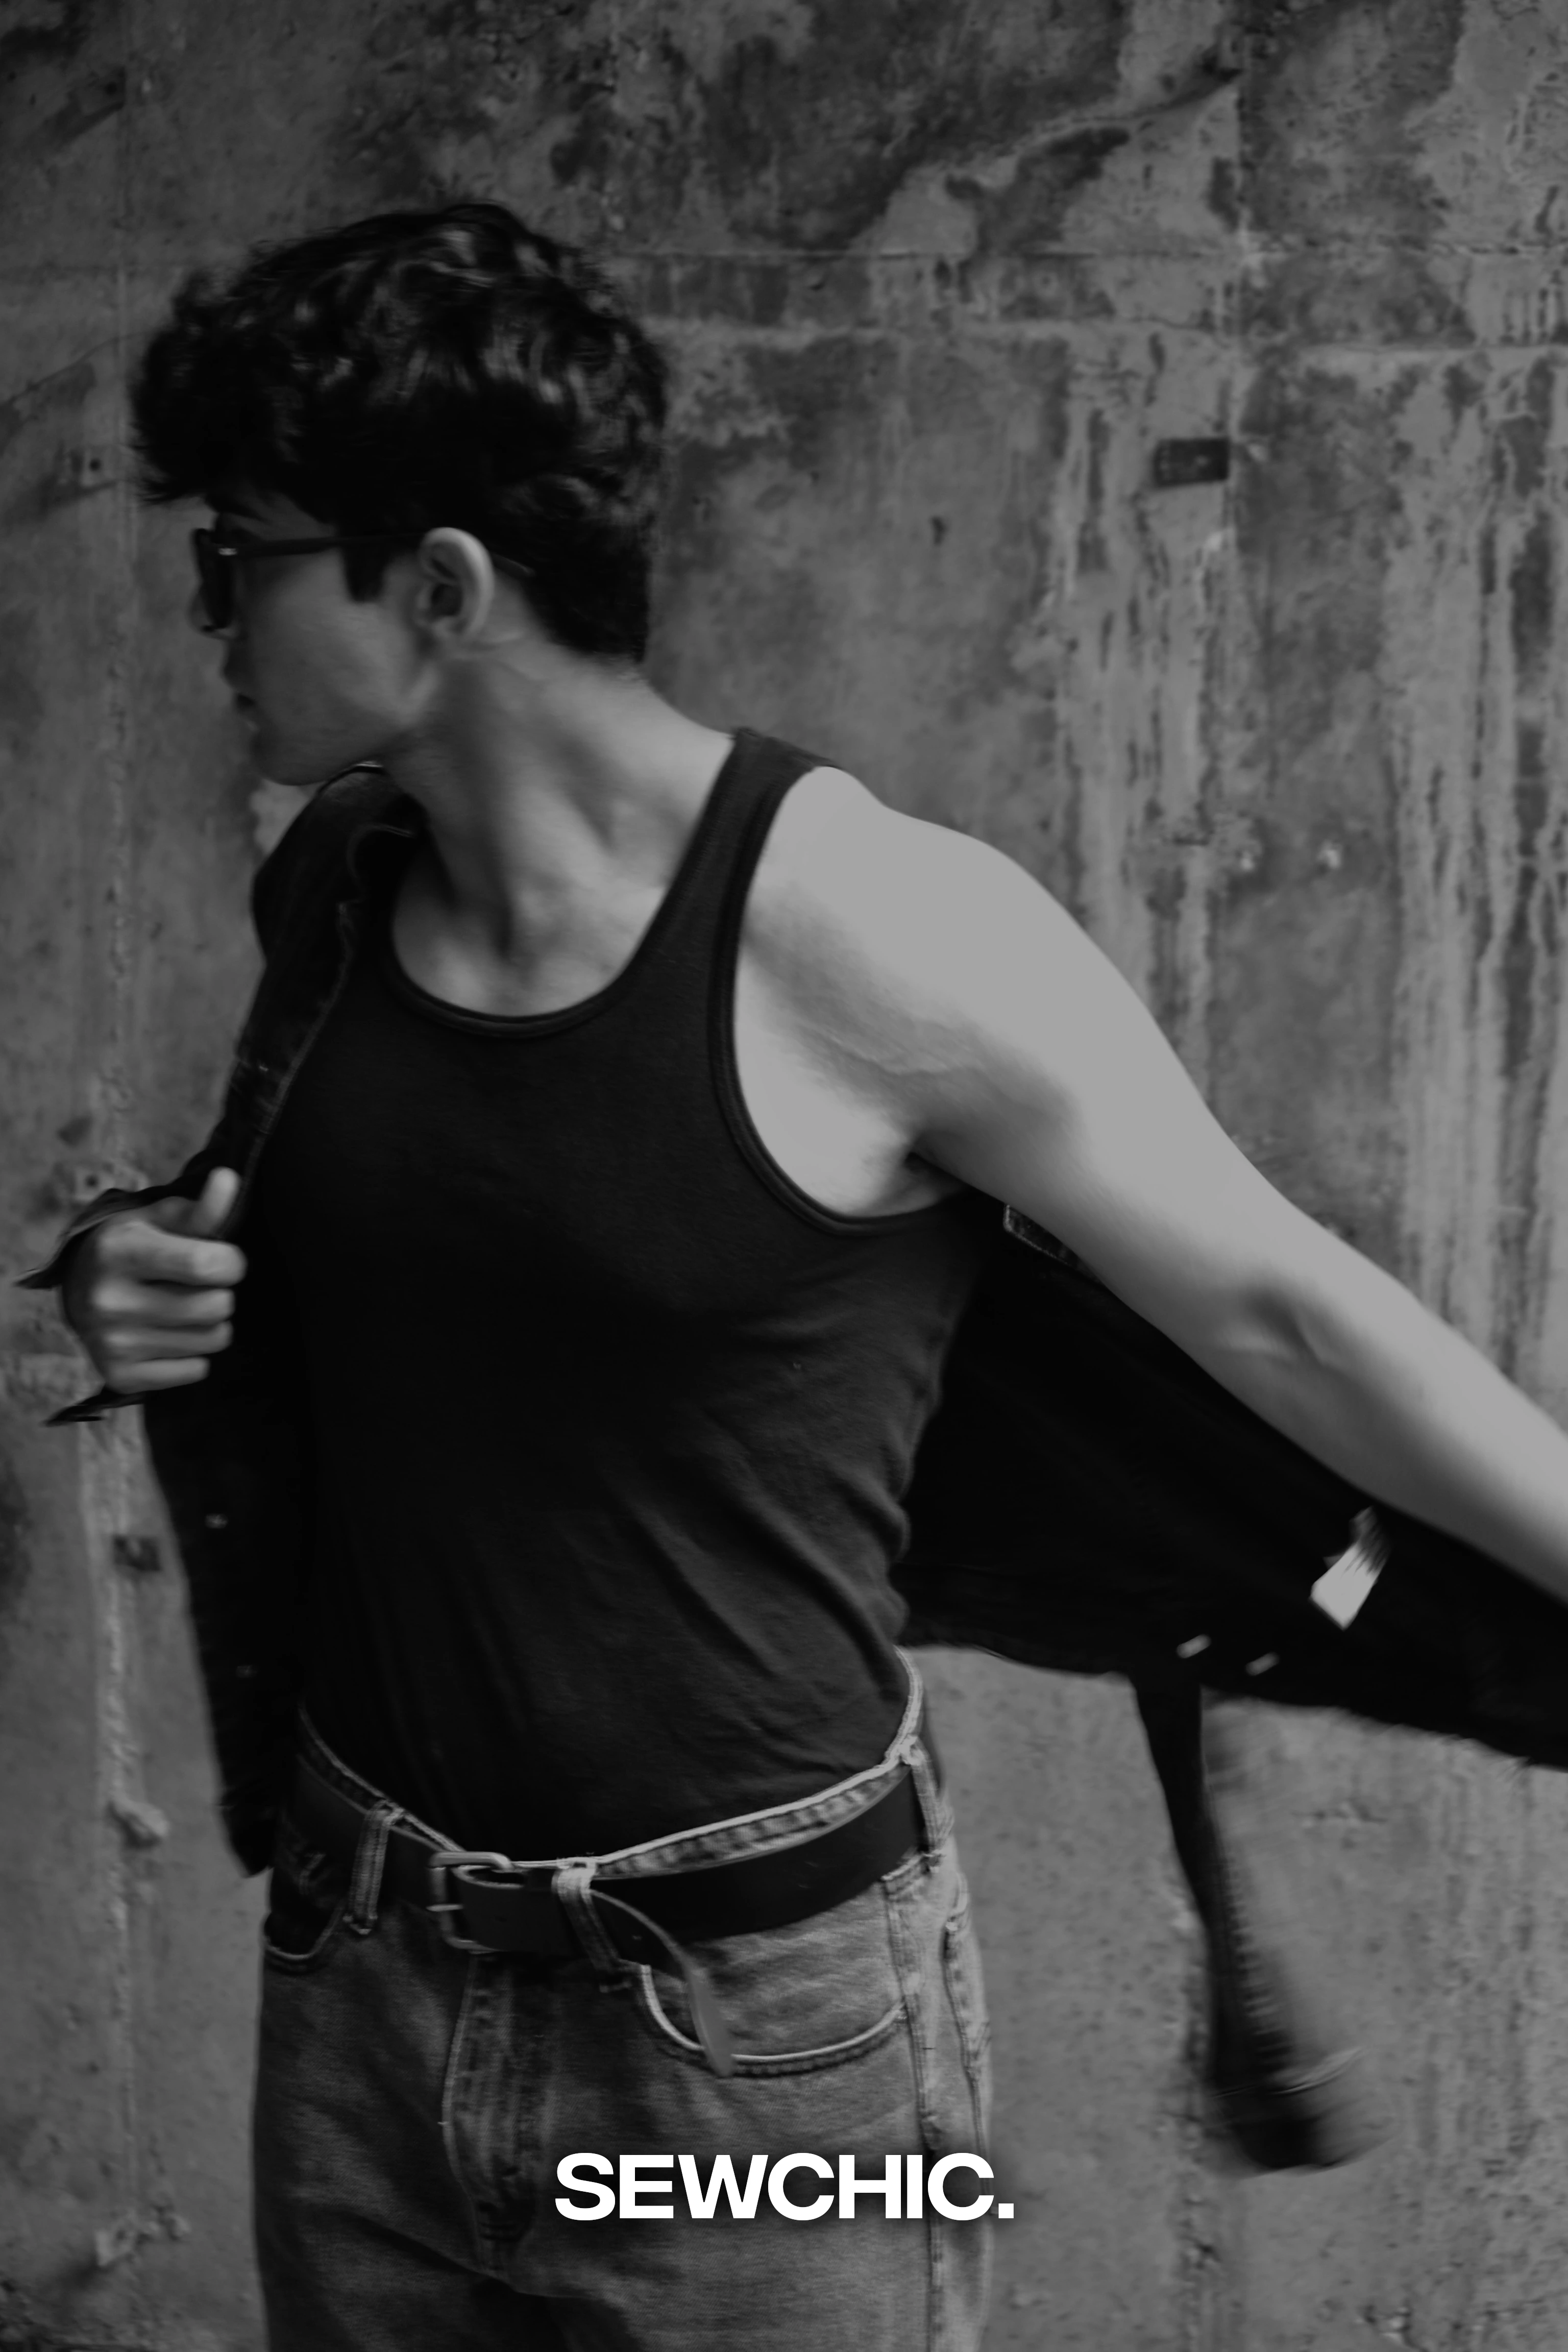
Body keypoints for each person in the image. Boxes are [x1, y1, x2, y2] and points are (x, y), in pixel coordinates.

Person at [40, 202, 1568, 2350]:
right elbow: (418, 1259)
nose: (207, 613)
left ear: (443, 587)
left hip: (768, 2035)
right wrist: (134, 1272)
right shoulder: (341, 881)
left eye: (241, 557)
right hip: (365, 1976)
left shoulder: (873, 927)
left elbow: (1286, 1314)